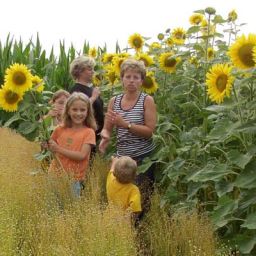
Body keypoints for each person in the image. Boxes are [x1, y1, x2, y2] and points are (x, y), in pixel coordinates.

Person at [99, 58, 157, 216]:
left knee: (140, 200)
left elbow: (149, 131)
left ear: (141, 81)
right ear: (122, 79)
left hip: (142, 159)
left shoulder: (147, 100)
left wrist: (125, 125)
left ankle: (137, 234)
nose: (131, 81)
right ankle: (122, 233)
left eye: (136, 77)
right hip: (122, 160)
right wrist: (105, 137)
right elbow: (108, 126)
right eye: (128, 76)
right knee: (118, 197)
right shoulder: (114, 101)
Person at [44, 92, 97, 197]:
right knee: (53, 208)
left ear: (88, 112)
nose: (78, 113)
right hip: (54, 176)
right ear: (68, 110)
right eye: (74, 109)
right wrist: (45, 144)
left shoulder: (88, 132)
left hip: (74, 179)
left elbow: (81, 156)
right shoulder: (60, 129)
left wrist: (58, 148)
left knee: (70, 209)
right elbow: (50, 146)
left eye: (82, 110)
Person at [69, 55, 104, 141]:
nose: (93, 72)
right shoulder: (76, 90)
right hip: (85, 137)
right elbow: (77, 109)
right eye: (90, 69)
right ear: (80, 71)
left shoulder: (91, 89)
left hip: (97, 134)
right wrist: (93, 97)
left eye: (93, 69)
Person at [106, 156, 141, 221]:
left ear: (114, 173)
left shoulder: (111, 179)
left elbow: (112, 169)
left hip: (109, 219)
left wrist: (114, 162)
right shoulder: (133, 190)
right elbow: (136, 210)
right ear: (135, 176)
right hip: (123, 223)